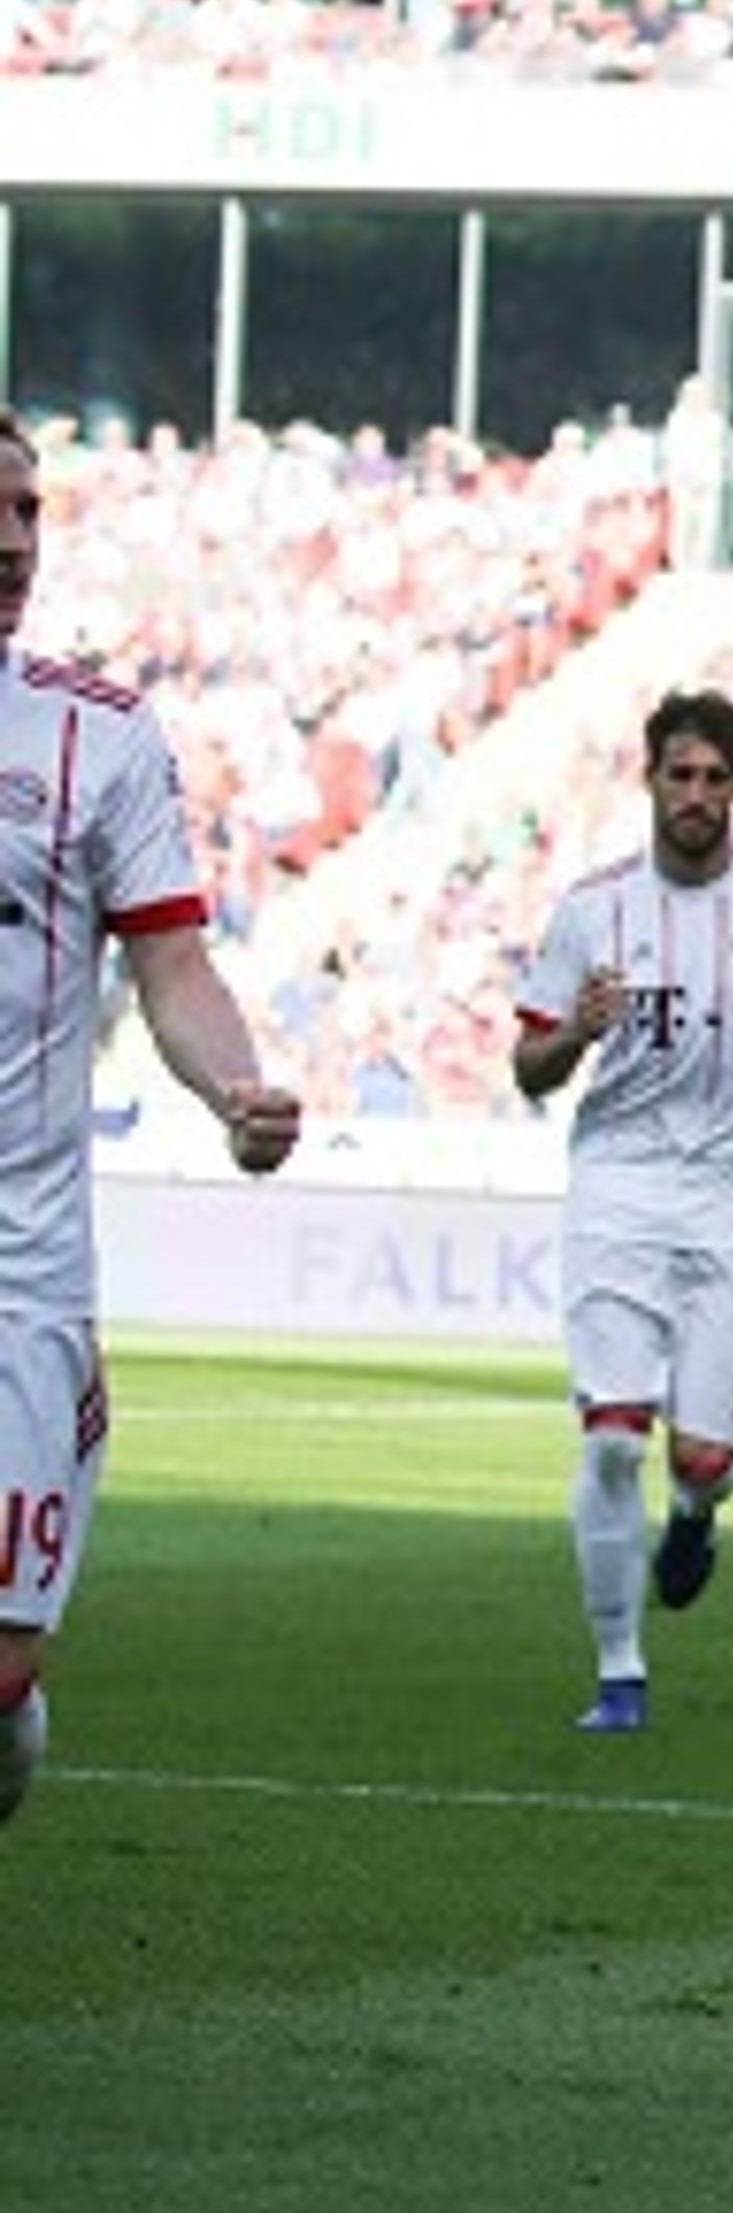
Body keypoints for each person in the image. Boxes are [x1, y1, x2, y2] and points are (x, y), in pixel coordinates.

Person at [0, 410, 304, 1830]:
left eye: (29, 509)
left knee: (3, 1690)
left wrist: (234, 1084)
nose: (13, 540)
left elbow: (175, 971)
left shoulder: (97, 738)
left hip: (20, 1275)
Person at [513, 688, 733, 1735]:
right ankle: (619, 1671)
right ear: (650, 780)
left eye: (715, 777)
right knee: (613, 1439)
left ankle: (698, 1513)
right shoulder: (592, 908)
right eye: (680, 774)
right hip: (619, 1184)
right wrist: (575, 1029)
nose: (697, 794)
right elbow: (530, 1067)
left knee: (701, 1458)